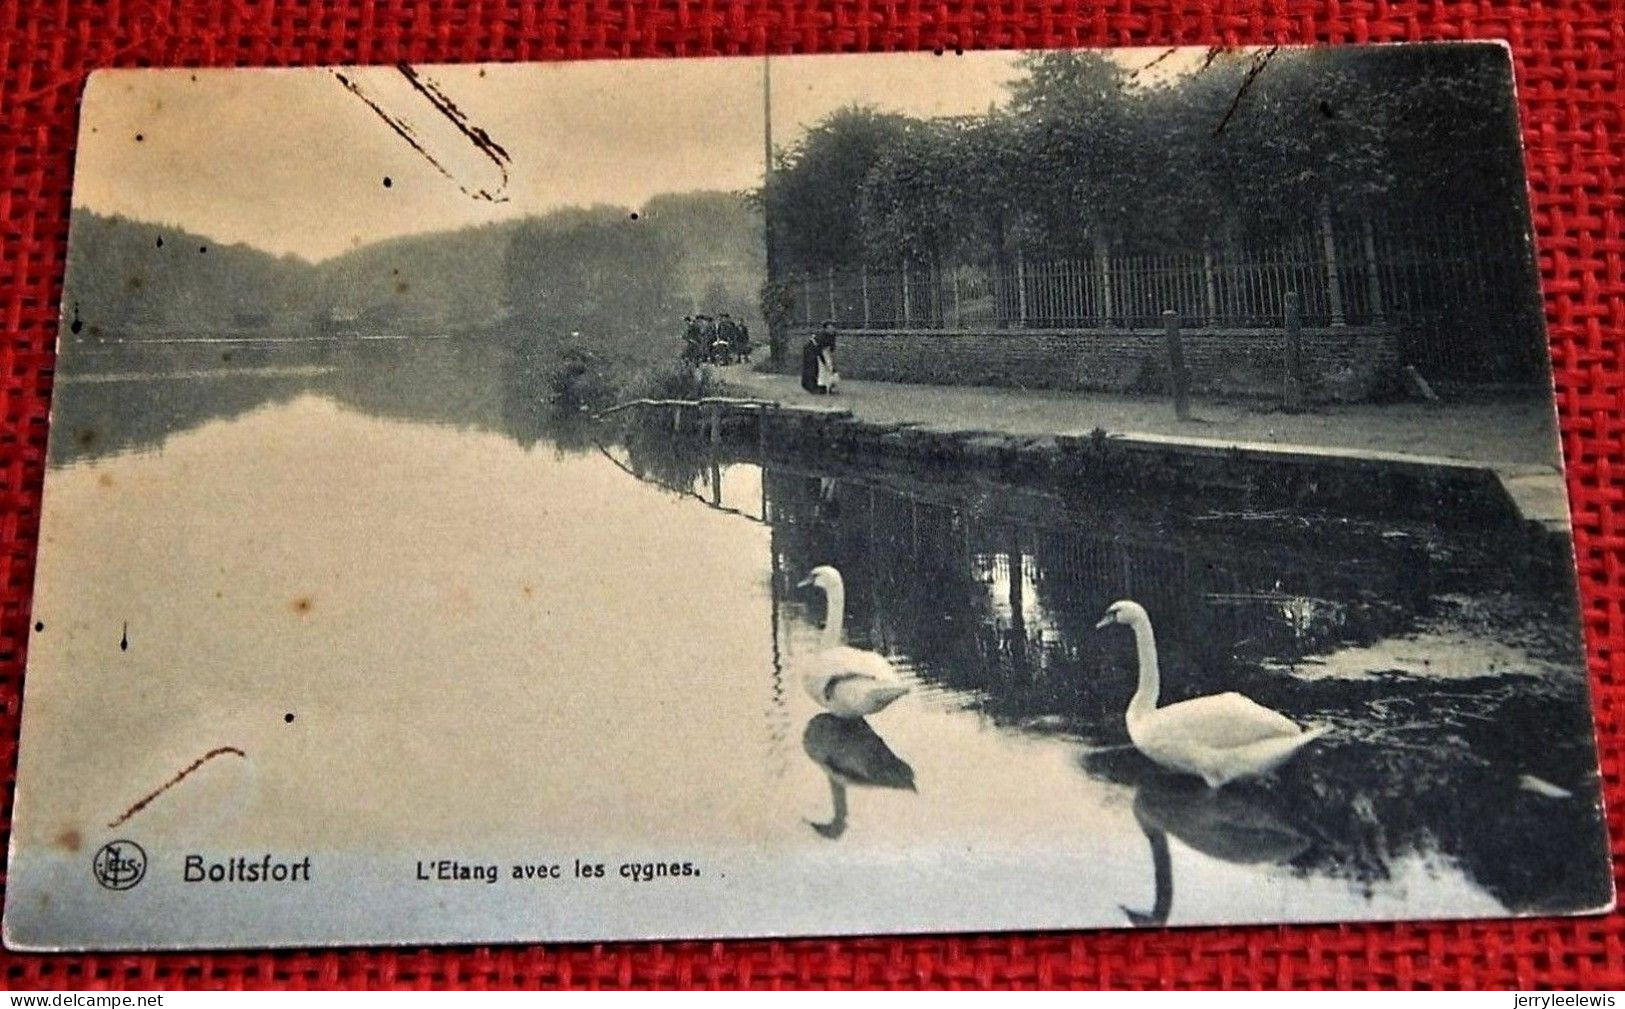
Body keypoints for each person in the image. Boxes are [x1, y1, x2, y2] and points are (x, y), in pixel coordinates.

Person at [816, 320, 839, 394]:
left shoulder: (832, 335)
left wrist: (831, 350)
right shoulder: (822, 336)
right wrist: (824, 360)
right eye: (830, 327)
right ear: (826, 328)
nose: (832, 329)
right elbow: (819, 348)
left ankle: (831, 387)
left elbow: (832, 346)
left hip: (828, 353)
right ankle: (822, 388)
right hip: (822, 353)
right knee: (823, 370)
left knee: (831, 370)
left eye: (832, 327)